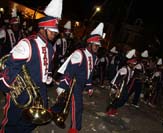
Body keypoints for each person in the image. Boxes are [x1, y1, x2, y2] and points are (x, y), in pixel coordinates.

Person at [0, 0, 63, 132]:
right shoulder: (27, 44)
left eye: (55, 32)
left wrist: (48, 77)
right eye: (52, 31)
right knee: (12, 120)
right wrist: (5, 85)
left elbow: (49, 67)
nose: (54, 34)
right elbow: (10, 65)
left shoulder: (50, 48)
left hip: (40, 90)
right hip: (22, 92)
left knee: (33, 120)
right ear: (42, 29)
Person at [51, 22, 104, 133]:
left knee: (63, 101)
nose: (97, 48)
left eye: (98, 46)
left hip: (80, 84)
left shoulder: (94, 57)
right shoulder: (79, 54)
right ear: (89, 44)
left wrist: (89, 86)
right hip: (73, 84)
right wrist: (63, 85)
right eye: (96, 45)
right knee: (77, 106)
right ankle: (74, 129)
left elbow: (89, 73)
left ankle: (51, 112)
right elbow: (69, 71)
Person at [106, 49, 137, 116]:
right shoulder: (124, 69)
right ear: (129, 63)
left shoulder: (130, 70)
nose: (134, 65)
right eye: (133, 64)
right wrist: (115, 88)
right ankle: (110, 110)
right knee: (117, 99)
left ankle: (114, 108)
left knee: (124, 99)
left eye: (134, 64)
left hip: (123, 86)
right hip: (119, 86)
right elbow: (117, 79)